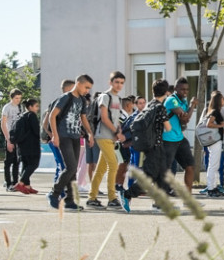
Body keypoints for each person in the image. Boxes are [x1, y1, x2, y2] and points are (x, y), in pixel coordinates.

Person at [120, 79, 174, 213]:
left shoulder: (149, 105)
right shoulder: (160, 107)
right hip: (156, 146)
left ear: (153, 91)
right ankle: (127, 194)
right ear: (166, 93)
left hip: (150, 145)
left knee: (162, 174)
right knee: (149, 174)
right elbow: (168, 128)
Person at [47, 74, 95, 211]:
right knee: (71, 167)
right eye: (86, 87)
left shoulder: (81, 100)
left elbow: (83, 118)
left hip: (75, 137)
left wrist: (90, 133)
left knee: (73, 170)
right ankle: (54, 193)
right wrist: (55, 135)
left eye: (89, 89)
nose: (87, 91)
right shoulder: (66, 97)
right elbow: (52, 116)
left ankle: (70, 200)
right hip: (63, 136)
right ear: (78, 83)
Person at [87, 71, 127, 209]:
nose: (119, 85)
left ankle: (92, 198)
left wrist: (118, 131)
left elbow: (116, 119)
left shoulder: (118, 99)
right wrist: (116, 132)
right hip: (103, 136)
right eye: (116, 82)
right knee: (114, 165)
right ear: (110, 83)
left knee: (101, 169)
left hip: (111, 137)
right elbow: (104, 118)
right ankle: (112, 198)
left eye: (122, 83)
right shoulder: (105, 97)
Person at [163, 78, 196, 194]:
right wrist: (192, 106)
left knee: (190, 166)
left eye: (187, 90)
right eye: (182, 89)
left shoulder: (183, 101)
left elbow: (185, 121)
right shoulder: (172, 100)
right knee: (165, 171)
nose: (185, 92)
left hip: (179, 138)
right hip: (167, 139)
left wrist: (189, 109)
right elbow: (185, 117)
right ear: (176, 89)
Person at [14, 98, 43, 194]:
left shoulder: (21, 115)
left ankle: (27, 186)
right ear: (30, 107)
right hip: (32, 145)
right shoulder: (32, 115)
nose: (37, 108)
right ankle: (21, 183)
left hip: (22, 145)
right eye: (36, 106)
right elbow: (36, 131)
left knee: (26, 165)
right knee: (34, 164)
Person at [203, 90, 224, 198]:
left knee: (215, 164)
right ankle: (210, 188)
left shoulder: (212, 111)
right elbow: (209, 124)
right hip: (215, 141)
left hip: (216, 141)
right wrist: (221, 126)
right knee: (213, 165)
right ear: (219, 100)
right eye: (222, 98)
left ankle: (213, 186)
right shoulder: (215, 112)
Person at [0, 88, 25, 192]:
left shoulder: (20, 107)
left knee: (16, 161)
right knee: (8, 161)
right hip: (10, 136)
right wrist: (8, 140)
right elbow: (3, 124)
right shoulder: (7, 108)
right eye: (16, 98)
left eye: (19, 98)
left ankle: (15, 182)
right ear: (12, 98)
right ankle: (8, 183)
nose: (18, 100)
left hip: (18, 137)